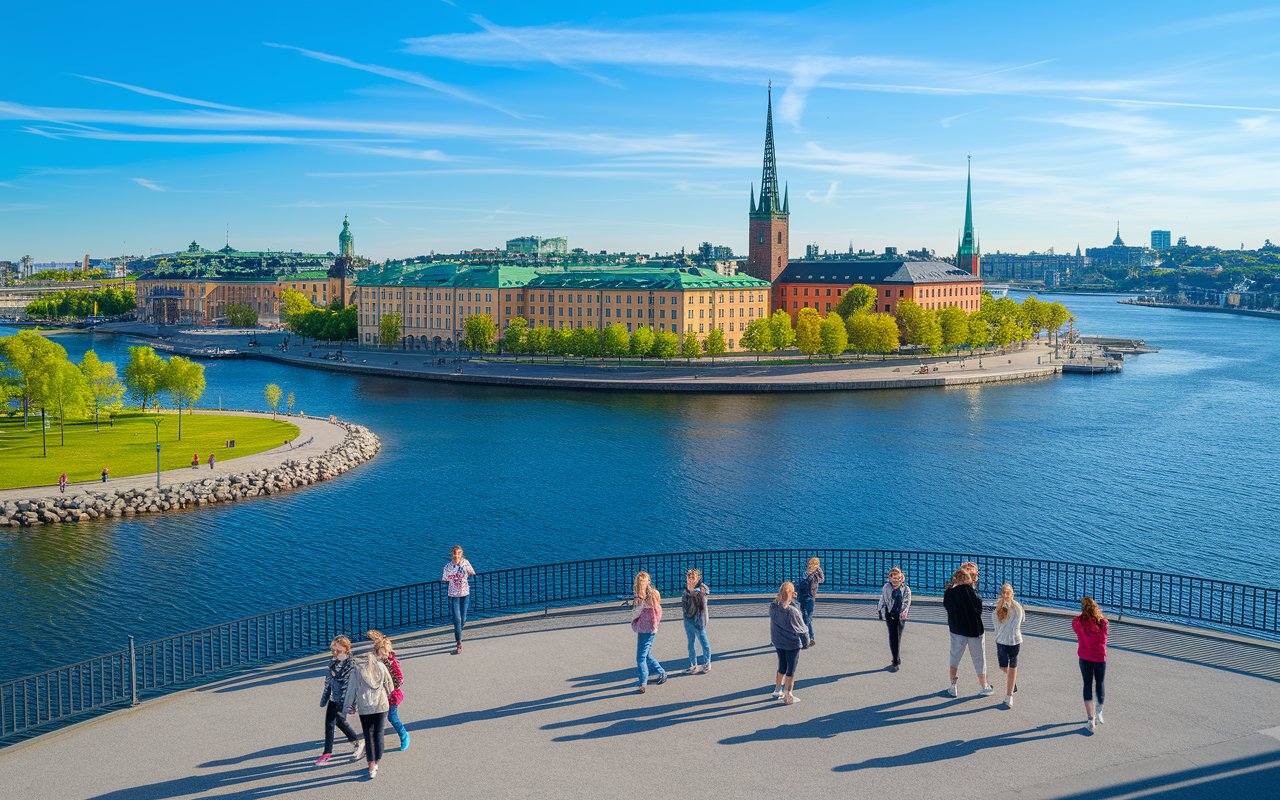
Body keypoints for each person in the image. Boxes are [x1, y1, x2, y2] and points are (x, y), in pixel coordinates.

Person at [343, 648, 394, 780]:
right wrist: (387, 692)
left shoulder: (356, 670)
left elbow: (351, 690)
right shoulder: (381, 666)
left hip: (365, 706)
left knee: (368, 734)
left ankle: (371, 764)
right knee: (379, 733)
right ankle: (377, 761)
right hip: (381, 704)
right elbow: (390, 685)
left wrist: (348, 707)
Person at [943, 567, 993, 697]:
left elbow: (947, 607)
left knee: (955, 656)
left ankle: (953, 686)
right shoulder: (973, 594)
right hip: (974, 630)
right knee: (979, 658)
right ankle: (984, 686)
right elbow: (978, 611)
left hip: (957, 630)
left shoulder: (949, 593)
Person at [316, 636, 364, 767]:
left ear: (346, 651)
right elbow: (329, 681)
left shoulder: (351, 666)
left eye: (338, 651)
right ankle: (328, 752)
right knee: (331, 724)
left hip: (343, 699)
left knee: (336, 722)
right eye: (333, 650)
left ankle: (356, 742)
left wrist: (349, 704)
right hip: (333, 697)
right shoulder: (334, 661)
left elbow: (352, 687)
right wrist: (326, 695)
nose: (335, 653)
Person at [367, 630, 408, 751]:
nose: (375, 653)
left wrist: (388, 685)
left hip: (391, 695)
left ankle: (404, 736)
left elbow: (400, 679)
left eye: (377, 651)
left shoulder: (391, 663)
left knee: (392, 717)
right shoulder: (378, 661)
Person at [769, 581, 809, 705]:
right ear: (791, 594)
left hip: (778, 641)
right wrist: (806, 643)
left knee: (782, 665)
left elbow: (780, 603)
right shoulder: (793, 610)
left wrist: (788, 598)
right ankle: (788, 695)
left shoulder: (773, 607)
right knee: (791, 669)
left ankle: (777, 690)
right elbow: (801, 627)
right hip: (792, 643)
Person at [1073, 596, 1109, 730]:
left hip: (1084, 657)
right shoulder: (1103, 622)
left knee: (1087, 684)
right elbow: (1103, 639)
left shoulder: (1078, 622)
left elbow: (1076, 630)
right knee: (1100, 683)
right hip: (1099, 657)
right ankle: (1099, 711)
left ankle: (1090, 718)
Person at [631, 571, 666, 693]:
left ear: (648, 582)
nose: (642, 584)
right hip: (642, 628)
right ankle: (660, 672)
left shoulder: (653, 594)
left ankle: (643, 682)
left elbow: (657, 611)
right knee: (646, 654)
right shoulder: (638, 596)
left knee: (640, 657)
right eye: (640, 582)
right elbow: (636, 612)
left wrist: (642, 601)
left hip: (649, 629)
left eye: (644, 582)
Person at [994, 583, 1024, 708]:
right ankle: (1013, 681)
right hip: (1001, 642)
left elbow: (1015, 625)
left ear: (1012, 595)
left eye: (1009, 593)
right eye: (1004, 593)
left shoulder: (1017, 608)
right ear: (1001, 594)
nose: (1006, 595)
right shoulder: (998, 608)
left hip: (1014, 641)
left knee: (1013, 665)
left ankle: (1009, 696)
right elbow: (996, 625)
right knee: (1002, 666)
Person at [442, 546, 475, 654]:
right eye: (455, 553)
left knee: (463, 618)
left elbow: (472, 572)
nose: (456, 555)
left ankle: (459, 632)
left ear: (461, 554)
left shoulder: (465, 563)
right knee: (457, 619)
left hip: (465, 593)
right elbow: (444, 578)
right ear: (451, 554)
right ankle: (458, 642)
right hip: (453, 595)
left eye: (459, 553)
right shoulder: (448, 567)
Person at [877, 567, 911, 671]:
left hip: (899, 616)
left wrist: (904, 612)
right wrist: (879, 610)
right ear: (890, 578)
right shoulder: (886, 587)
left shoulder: (906, 589)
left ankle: (896, 659)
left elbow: (906, 603)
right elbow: (883, 598)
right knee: (893, 636)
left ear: (901, 578)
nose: (894, 580)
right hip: (889, 613)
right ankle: (896, 659)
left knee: (897, 636)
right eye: (892, 578)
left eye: (897, 578)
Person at [681, 569, 711, 674]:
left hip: (699, 619)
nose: (690, 579)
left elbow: (702, 603)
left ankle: (707, 663)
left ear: (698, 578)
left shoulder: (701, 590)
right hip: (688, 619)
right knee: (691, 643)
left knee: (703, 641)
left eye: (692, 577)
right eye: (688, 577)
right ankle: (693, 664)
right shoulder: (686, 590)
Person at [796, 557, 825, 646]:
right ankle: (808, 637)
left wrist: (819, 572)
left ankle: (809, 637)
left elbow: (821, 580)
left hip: (807, 598)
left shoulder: (814, 574)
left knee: (806, 618)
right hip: (808, 598)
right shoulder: (808, 573)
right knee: (805, 618)